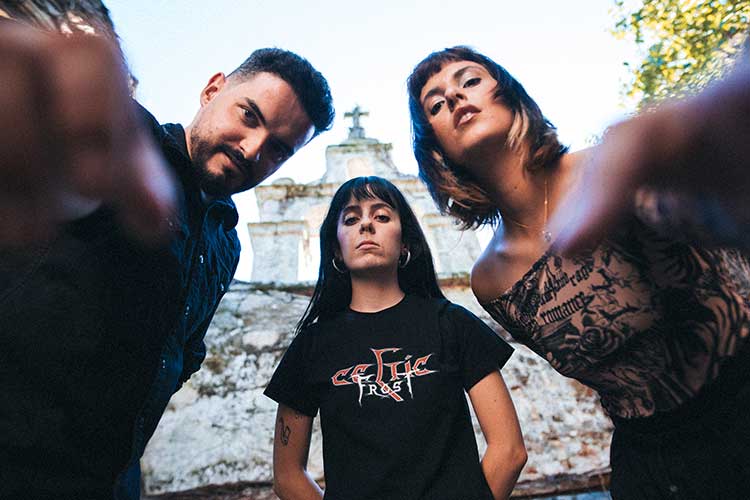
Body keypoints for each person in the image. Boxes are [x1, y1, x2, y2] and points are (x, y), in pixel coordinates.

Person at [0, 6, 335, 499]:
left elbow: (184, 351)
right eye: (249, 116)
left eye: (279, 149)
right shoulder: (120, 138)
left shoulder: (226, 242)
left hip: (108, 480)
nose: (252, 149)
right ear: (213, 89)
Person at [407, 46, 750, 499]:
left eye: (469, 81)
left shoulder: (615, 166)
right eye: (435, 103)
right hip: (654, 466)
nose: (454, 97)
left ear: (511, 96)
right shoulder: (490, 280)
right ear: (436, 150)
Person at [264, 176, 526, 500]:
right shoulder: (311, 346)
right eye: (351, 219)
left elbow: (509, 450)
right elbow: (287, 475)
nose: (366, 225)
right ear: (336, 249)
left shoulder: (452, 323)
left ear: (405, 245)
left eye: (382, 216)